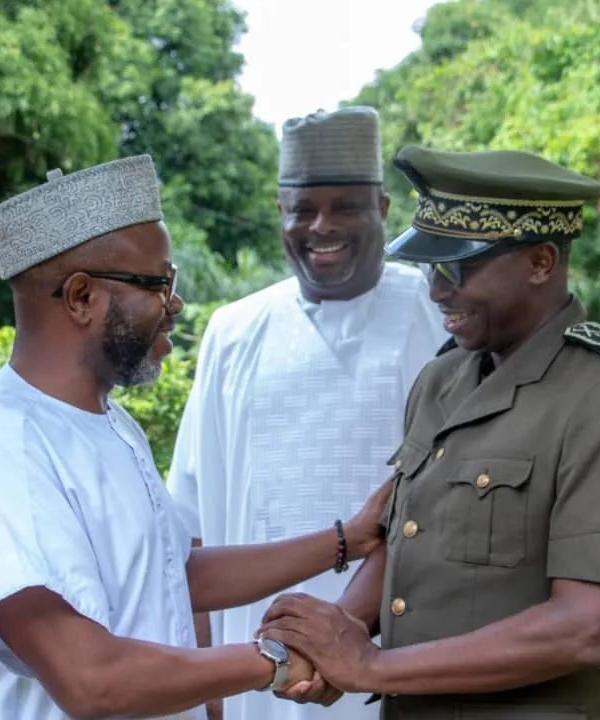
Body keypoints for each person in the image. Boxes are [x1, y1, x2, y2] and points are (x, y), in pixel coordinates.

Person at [0, 154, 393, 720]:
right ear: (82, 297)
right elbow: (92, 681)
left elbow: (168, 573)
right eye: (159, 283)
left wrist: (345, 540)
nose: (175, 305)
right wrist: (280, 659)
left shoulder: (110, 424)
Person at [258, 145, 600, 720]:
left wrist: (371, 667)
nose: (438, 290)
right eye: (433, 268)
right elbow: (407, 538)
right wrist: (339, 632)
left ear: (540, 262)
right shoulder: (443, 379)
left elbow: (586, 627)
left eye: (460, 268)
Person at [165, 107, 448, 720]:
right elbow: (190, 525)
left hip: (401, 671)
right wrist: (206, 688)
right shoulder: (233, 331)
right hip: (257, 676)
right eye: (303, 209)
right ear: (280, 213)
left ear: (382, 210)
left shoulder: (439, 313)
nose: (323, 226)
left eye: (345, 207)